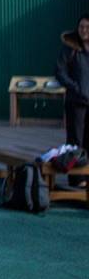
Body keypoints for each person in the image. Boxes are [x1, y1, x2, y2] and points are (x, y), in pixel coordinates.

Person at [55, 14, 89, 186]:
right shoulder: (71, 48)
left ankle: (86, 175)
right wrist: (75, 87)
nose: (84, 30)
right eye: (81, 26)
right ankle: (76, 179)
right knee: (76, 142)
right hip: (76, 103)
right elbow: (59, 71)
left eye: (87, 27)